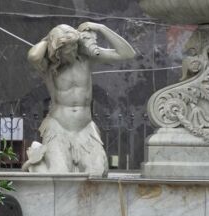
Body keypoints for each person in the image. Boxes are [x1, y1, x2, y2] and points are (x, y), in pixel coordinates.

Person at [22, 23, 136, 176]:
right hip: (58, 127)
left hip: (85, 128)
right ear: (57, 51)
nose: (74, 50)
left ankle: (44, 159)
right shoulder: (48, 66)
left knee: (98, 173)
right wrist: (49, 39)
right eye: (69, 48)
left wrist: (101, 28)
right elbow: (33, 56)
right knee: (59, 174)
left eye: (75, 45)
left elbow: (127, 54)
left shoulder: (85, 59)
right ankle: (36, 163)